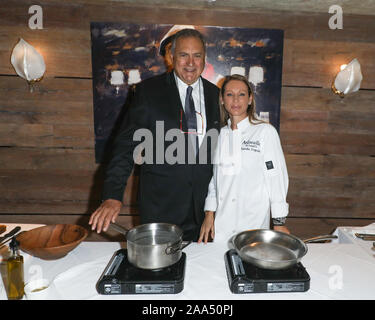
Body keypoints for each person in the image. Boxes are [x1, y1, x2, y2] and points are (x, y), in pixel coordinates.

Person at [89, 29, 221, 241]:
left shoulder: (216, 95)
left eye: (197, 55)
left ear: (204, 59)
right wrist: (112, 196)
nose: (190, 62)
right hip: (162, 208)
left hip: (206, 213)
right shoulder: (148, 92)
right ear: (171, 57)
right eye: (183, 55)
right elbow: (125, 147)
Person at [198, 74, 290, 244]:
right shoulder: (220, 134)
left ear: (249, 99)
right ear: (222, 99)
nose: (235, 100)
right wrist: (209, 213)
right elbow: (215, 180)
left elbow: (276, 177)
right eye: (229, 94)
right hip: (222, 226)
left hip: (252, 225)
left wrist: (279, 222)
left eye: (241, 94)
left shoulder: (264, 132)